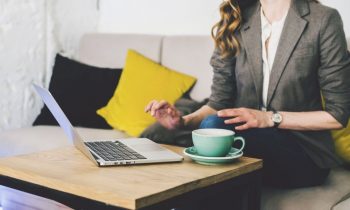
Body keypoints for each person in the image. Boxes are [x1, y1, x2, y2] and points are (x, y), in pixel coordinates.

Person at [145, 0, 350, 188]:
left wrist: (270, 118)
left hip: (303, 152)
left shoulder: (323, 19)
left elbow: (337, 115)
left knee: (213, 130)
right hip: (245, 147)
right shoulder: (236, 21)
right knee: (175, 136)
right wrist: (182, 122)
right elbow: (218, 103)